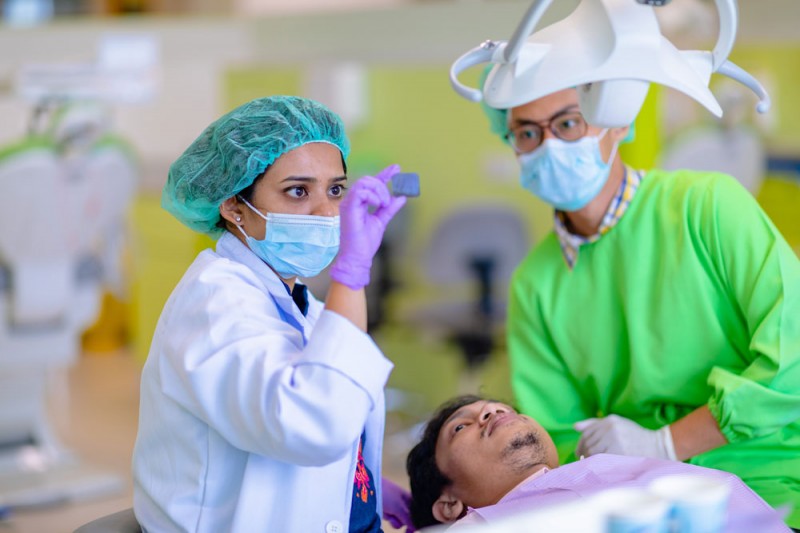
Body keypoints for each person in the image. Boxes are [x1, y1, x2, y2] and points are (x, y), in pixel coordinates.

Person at [473, 84, 800, 528]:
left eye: (568, 124)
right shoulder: (534, 284)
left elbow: (792, 359)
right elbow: (560, 441)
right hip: (632, 498)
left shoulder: (707, 207)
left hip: (771, 479)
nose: (549, 146)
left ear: (618, 121)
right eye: (527, 134)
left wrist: (666, 444)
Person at [132, 95, 414, 532]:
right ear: (234, 207)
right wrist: (351, 276)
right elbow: (313, 424)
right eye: (298, 191)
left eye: (335, 190)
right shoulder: (214, 303)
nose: (326, 212)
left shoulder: (304, 305)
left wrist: (360, 490)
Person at [406, 395, 789, 531]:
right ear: (448, 504)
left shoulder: (623, 469)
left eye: (502, 409)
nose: (491, 411)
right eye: (461, 427)